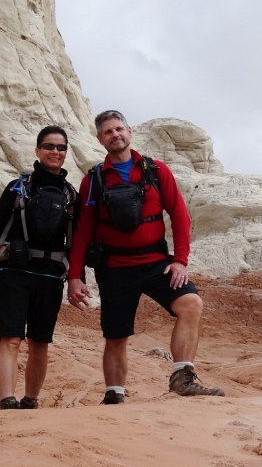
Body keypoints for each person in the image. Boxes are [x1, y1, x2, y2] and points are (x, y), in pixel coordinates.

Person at [67, 110, 224, 404]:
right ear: (100, 140)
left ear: (129, 132)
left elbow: (179, 214)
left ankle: (182, 378)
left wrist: (180, 260)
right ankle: (114, 396)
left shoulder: (156, 171)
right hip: (114, 268)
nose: (115, 135)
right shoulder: (93, 181)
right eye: (108, 132)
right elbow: (83, 229)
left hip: (156, 263)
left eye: (119, 129)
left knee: (191, 304)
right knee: (116, 336)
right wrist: (74, 276)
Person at [0, 126, 77, 410]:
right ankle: (7, 400)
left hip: (50, 278)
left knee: (39, 343)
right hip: (15, 275)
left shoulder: (71, 196)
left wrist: (75, 277)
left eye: (60, 147)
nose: (54, 152)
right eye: (48, 146)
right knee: (10, 339)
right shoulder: (17, 188)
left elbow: (76, 241)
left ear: (65, 152)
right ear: (37, 151)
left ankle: (30, 400)